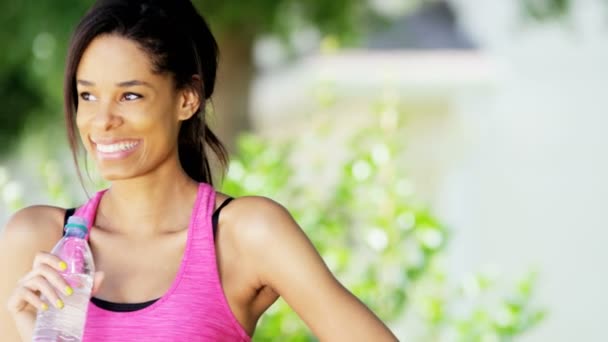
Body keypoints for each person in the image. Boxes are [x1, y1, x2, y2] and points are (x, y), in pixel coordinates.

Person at [0, 0, 398, 341]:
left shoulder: (245, 234)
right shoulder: (36, 242)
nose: (102, 120)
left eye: (130, 95)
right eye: (87, 95)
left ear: (187, 99)